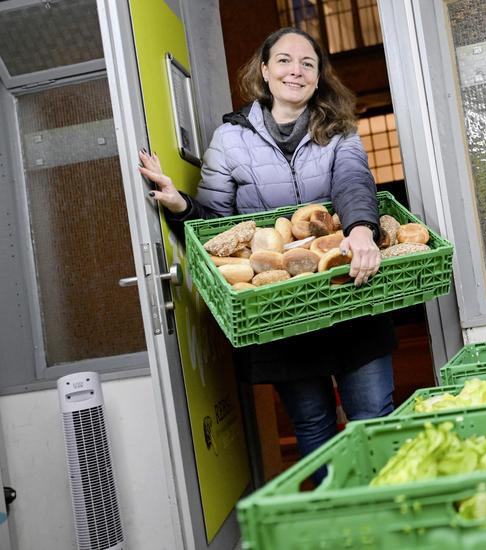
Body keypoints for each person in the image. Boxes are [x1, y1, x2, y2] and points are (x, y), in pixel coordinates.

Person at [137, 27, 396, 483]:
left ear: (318, 78)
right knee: (313, 426)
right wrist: (179, 204)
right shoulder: (230, 139)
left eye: (307, 64)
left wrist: (359, 231)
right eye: (284, 60)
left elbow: (354, 182)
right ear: (264, 70)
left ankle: (385, 518)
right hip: (281, 308)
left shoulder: (340, 131)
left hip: (350, 291)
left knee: (374, 417)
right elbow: (219, 228)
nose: (295, 70)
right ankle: (333, 527)